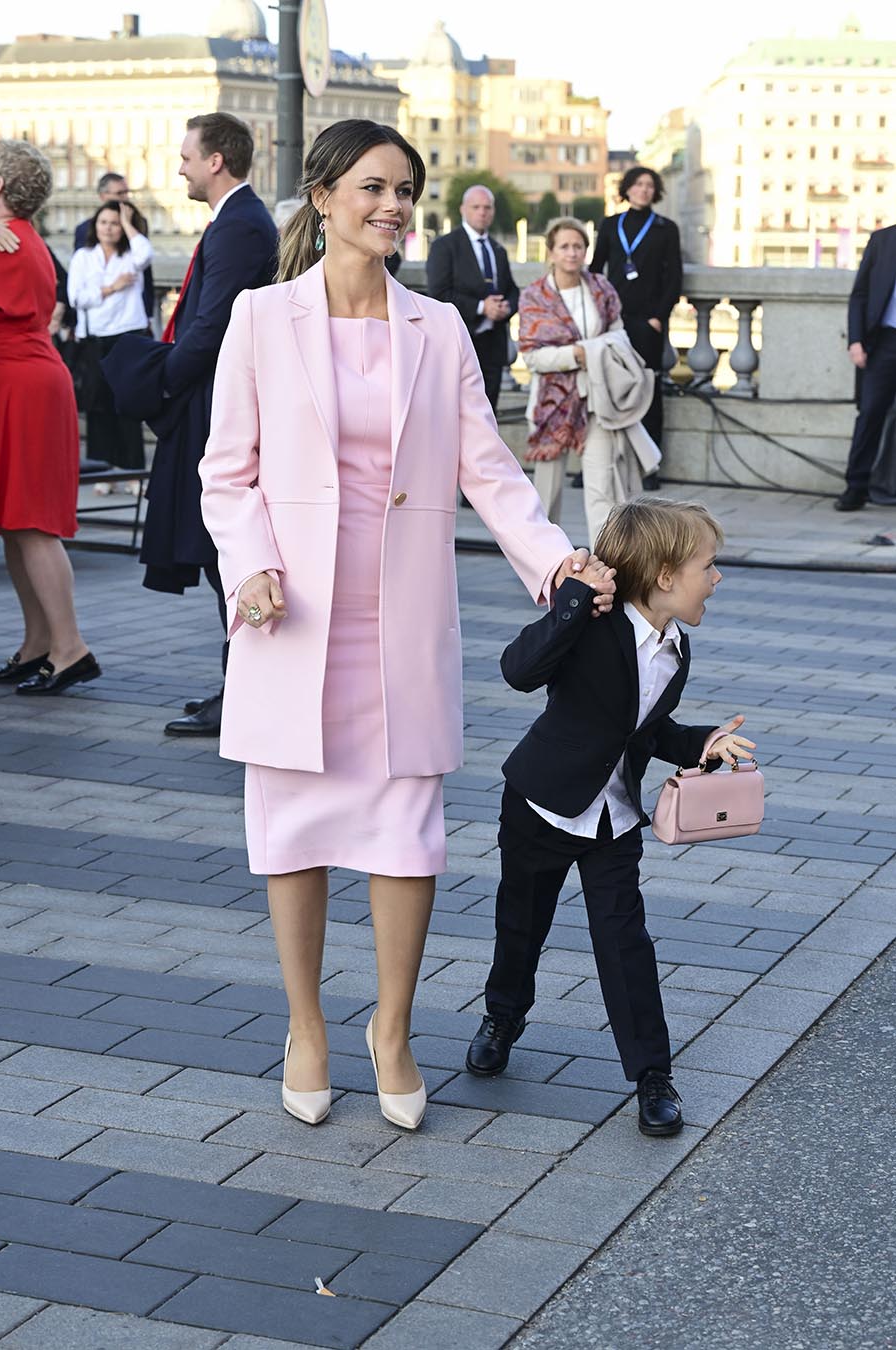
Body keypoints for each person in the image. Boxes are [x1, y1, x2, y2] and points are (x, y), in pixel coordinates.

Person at [199, 119, 614, 1133]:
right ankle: (307, 1028)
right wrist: (250, 566)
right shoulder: (261, 318)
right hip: (291, 616)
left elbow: (490, 469)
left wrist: (555, 558)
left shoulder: (436, 331)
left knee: (404, 836)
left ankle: (391, 1029)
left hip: (400, 614)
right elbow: (227, 472)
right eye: (375, 187)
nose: (393, 206)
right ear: (326, 194)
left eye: (407, 191)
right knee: (291, 829)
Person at [465, 498, 756, 1137]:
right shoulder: (592, 623)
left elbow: (643, 730)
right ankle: (502, 1018)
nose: (718, 577)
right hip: (541, 805)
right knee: (521, 927)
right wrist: (570, 600)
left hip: (614, 819)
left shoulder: (675, 649)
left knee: (625, 944)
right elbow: (518, 670)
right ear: (665, 577)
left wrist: (700, 743)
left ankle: (653, 1077)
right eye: (709, 565)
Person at [101, 112, 278, 737]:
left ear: (215, 161)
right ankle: (240, 687)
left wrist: (167, 383)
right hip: (210, 394)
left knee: (223, 553)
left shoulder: (239, 226)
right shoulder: (239, 220)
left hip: (212, 403)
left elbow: (213, 326)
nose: (178, 166)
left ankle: (244, 692)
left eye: (185, 156)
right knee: (217, 555)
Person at [0, 139, 101, 695]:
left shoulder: (5, 244)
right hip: (28, 381)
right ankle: (40, 643)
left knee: (32, 525)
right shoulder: (23, 239)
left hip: (22, 386)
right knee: (19, 524)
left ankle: (69, 649)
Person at [521, 216, 640, 538]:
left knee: (603, 489)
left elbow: (620, 337)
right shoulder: (535, 296)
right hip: (553, 404)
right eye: (564, 247)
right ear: (551, 252)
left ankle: (605, 566)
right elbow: (532, 355)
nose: (572, 253)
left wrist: (595, 350)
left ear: (586, 251)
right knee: (547, 494)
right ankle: (543, 564)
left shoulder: (601, 288)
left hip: (598, 398)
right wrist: (576, 354)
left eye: (578, 246)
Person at [591, 167, 682, 489]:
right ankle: (604, 460)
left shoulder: (665, 228)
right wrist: (596, 313)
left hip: (648, 322)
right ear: (627, 189)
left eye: (649, 186)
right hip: (613, 321)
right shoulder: (611, 225)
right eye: (638, 184)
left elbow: (674, 278)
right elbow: (595, 270)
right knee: (607, 388)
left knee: (649, 390)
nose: (643, 190)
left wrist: (659, 317)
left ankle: (651, 465)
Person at [68, 200, 154, 491]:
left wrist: (129, 223)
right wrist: (111, 288)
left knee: (126, 404)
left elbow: (145, 252)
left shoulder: (131, 255)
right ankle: (103, 472)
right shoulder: (83, 256)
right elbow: (76, 297)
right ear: (95, 226)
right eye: (104, 222)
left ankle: (132, 472)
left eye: (115, 223)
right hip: (94, 339)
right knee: (98, 407)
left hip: (127, 335)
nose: (108, 228)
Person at [426, 184, 519, 415]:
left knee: (489, 416)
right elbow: (438, 295)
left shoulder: (498, 249)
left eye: (487, 207)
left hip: (494, 345)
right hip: (461, 342)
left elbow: (513, 290)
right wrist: (481, 307)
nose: (482, 212)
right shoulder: (444, 246)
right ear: (463, 209)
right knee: (458, 416)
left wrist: (506, 307)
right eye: (476, 207)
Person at [835, 222, 896, 511]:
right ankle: (855, 487)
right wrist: (856, 340)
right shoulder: (883, 240)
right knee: (870, 413)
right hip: (883, 342)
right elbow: (859, 294)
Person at [74, 172, 154, 325]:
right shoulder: (85, 229)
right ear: (103, 196)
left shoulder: (138, 223)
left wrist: (148, 311)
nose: (125, 198)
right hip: (97, 316)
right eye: (119, 193)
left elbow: (145, 268)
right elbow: (79, 278)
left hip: (130, 315)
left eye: (126, 193)